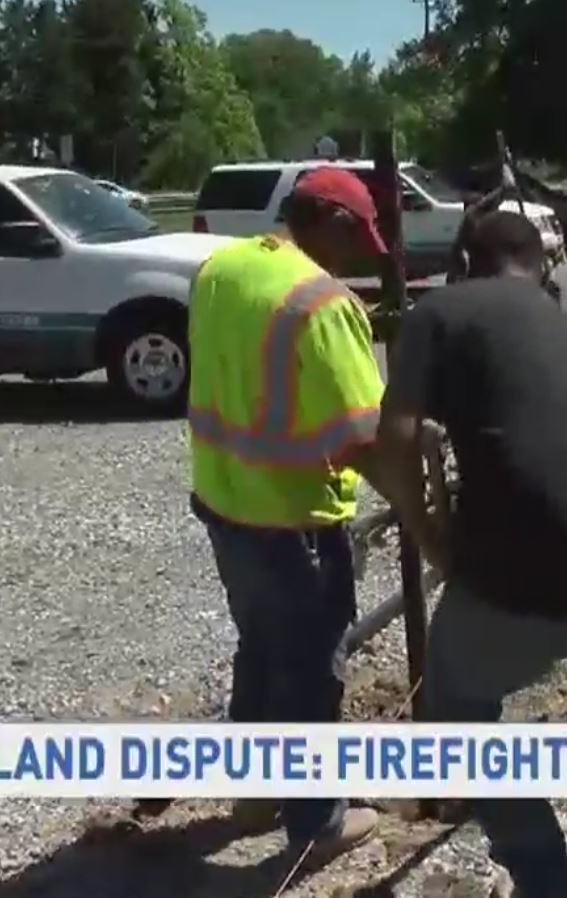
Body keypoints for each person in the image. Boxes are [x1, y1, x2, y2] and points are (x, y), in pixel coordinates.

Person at [376, 211, 567, 898]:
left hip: (525, 580)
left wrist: (428, 537)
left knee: (457, 708)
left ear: (462, 261)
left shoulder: (441, 310)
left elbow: (391, 442)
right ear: (541, 263)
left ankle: (546, 879)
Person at [174, 166, 419, 866]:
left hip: (223, 505)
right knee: (312, 672)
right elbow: (364, 437)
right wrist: (421, 514)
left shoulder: (222, 267)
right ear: (332, 222)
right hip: (294, 523)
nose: (359, 258)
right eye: (358, 239)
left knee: (259, 649)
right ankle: (317, 823)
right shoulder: (321, 303)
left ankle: (253, 795)